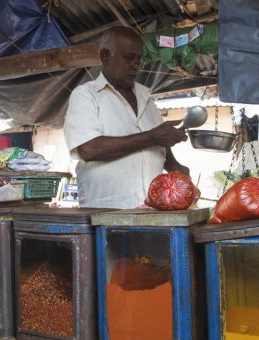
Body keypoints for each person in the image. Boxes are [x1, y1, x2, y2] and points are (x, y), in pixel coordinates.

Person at [64, 26, 189, 209]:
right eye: (129, 58)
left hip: (153, 210)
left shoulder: (145, 97)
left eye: (139, 59)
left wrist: (174, 165)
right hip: (107, 212)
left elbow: (158, 140)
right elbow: (89, 149)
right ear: (105, 57)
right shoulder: (86, 95)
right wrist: (152, 137)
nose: (136, 65)